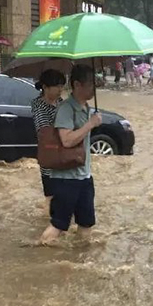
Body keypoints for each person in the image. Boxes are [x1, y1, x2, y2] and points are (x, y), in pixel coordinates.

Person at [40, 65, 102, 245]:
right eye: (91, 84)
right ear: (77, 84)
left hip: (84, 176)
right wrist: (90, 125)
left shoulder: (87, 107)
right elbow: (66, 140)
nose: (94, 88)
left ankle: (80, 259)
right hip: (66, 179)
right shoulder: (66, 109)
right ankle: (40, 254)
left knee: (86, 224)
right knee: (58, 225)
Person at [31, 68, 66, 208]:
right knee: (51, 198)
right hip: (49, 157)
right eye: (57, 86)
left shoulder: (60, 102)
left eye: (62, 86)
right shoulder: (39, 105)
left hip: (64, 158)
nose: (60, 89)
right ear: (45, 87)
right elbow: (44, 131)